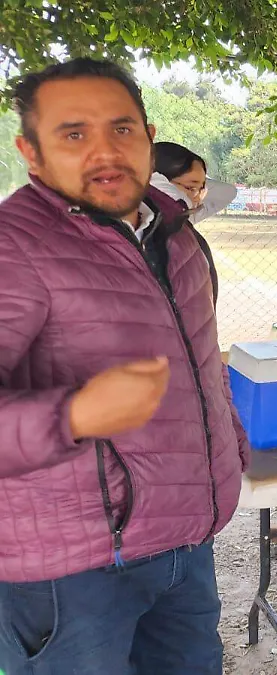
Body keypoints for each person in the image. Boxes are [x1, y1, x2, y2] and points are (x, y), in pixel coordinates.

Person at [0, 58, 248, 674]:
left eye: (121, 128)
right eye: (73, 133)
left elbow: (202, 360)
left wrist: (231, 450)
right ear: (32, 153)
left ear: (148, 137)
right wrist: (75, 415)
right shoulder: (13, 246)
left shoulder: (177, 236)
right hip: (73, 572)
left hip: (185, 545)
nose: (105, 151)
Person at [151, 141, 238, 302]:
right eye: (190, 188)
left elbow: (228, 191)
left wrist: (196, 183)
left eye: (201, 189)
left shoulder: (184, 218)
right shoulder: (141, 227)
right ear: (157, 181)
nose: (197, 199)